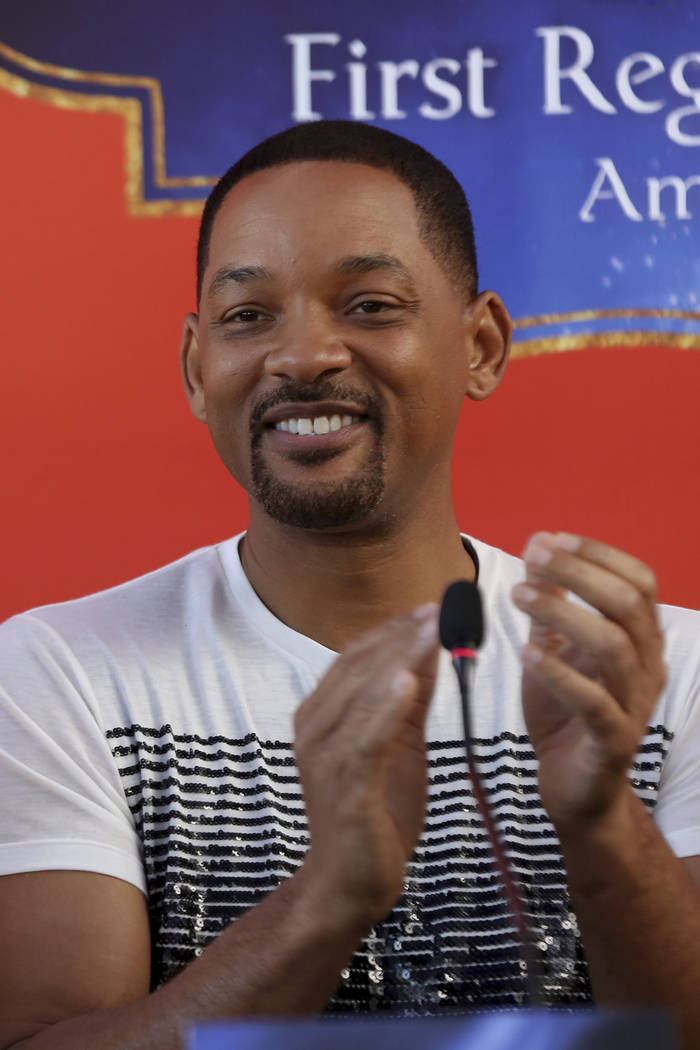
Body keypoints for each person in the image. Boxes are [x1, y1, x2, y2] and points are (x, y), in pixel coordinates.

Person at [1, 120, 699, 1050]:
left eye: (369, 305)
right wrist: (327, 898)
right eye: (249, 316)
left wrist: (604, 825)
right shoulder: (63, 675)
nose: (302, 357)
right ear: (195, 367)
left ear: (482, 345)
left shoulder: (663, 673)